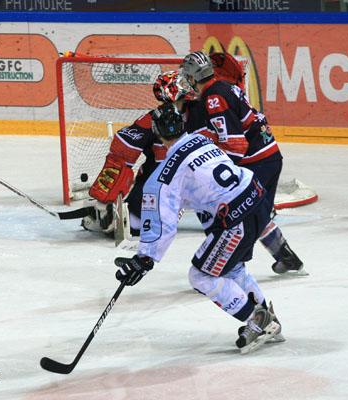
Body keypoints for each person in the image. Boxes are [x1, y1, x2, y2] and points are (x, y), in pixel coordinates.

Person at [114, 102, 284, 354]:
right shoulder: (203, 140)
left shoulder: (164, 176)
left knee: (201, 275)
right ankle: (269, 319)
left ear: (157, 132)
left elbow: (164, 221)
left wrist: (145, 259)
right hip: (257, 198)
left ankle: (257, 319)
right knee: (232, 267)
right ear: (182, 125)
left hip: (237, 218)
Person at [177, 51, 305, 275]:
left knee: (241, 214)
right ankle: (286, 257)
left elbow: (236, 145)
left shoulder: (213, 98)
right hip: (270, 156)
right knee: (258, 213)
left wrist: (223, 175)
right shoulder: (223, 87)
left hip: (258, 163)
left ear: (194, 77)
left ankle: (235, 263)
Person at [81, 71, 195, 237]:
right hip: (160, 184)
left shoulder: (199, 111)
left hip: (195, 180)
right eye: (182, 84)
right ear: (171, 91)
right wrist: (104, 199)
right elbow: (121, 151)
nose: (187, 87)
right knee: (142, 228)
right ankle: (107, 215)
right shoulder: (153, 119)